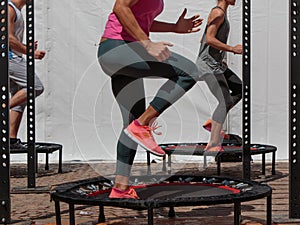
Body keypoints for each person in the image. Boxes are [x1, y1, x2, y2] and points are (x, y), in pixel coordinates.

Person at [98, 0, 203, 199]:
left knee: (130, 125)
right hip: (119, 48)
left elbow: (142, 20)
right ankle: (143, 123)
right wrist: (146, 43)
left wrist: (174, 28)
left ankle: (120, 188)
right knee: (189, 72)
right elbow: (120, 8)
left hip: (119, 54)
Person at [196, 0, 242, 154]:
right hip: (208, 66)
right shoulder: (218, 12)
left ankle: (213, 123)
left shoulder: (222, 13)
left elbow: (204, 40)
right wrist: (232, 49)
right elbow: (209, 38)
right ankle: (213, 143)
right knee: (225, 101)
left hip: (216, 64)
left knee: (239, 89)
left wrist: (220, 57)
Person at [8, 0, 46, 149]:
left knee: (20, 97)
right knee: (35, 87)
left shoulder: (16, 10)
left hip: (13, 57)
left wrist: (25, 47)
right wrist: (30, 52)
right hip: (9, 57)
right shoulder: (9, 8)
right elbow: (8, 38)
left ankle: (11, 140)